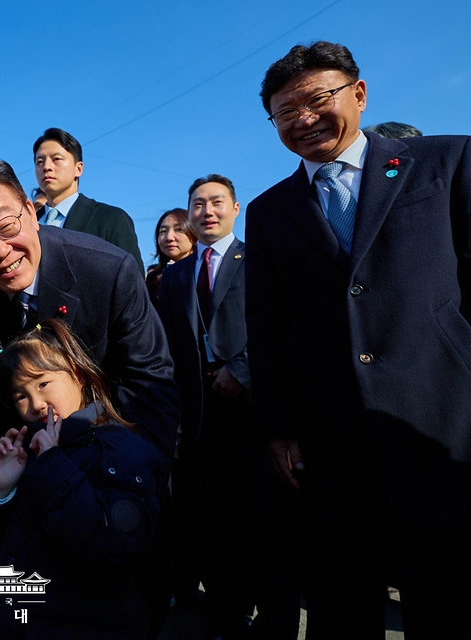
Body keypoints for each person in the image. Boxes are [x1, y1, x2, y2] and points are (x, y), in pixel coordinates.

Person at [247, 40, 471, 638]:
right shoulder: (269, 211)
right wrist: (279, 428)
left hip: (440, 418)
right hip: (330, 441)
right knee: (341, 601)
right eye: (284, 112)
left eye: (316, 99)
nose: (302, 119)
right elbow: (267, 328)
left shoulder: (443, 162)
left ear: (359, 94)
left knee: (449, 595)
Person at [0, 156, 179, 458]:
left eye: (7, 226)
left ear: (32, 212)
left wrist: (130, 486)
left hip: (108, 456)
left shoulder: (108, 272)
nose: (0, 251)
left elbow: (150, 387)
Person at [159, 175, 299, 639]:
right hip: (201, 423)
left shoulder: (258, 258)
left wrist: (241, 370)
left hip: (257, 417)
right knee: (215, 529)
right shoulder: (175, 274)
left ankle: (276, 624)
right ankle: (225, 618)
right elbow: (171, 351)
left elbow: (279, 327)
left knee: (266, 529)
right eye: (197, 204)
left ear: (236, 208)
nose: (207, 211)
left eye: (217, 202)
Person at [0, 319, 166, 639]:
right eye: (20, 395)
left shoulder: (121, 450)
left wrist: (53, 467)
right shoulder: (26, 451)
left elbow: (116, 548)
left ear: (78, 372)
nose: (35, 404)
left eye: (43, 383)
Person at [33, 127, 144, 269]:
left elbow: (133, 281)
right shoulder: (29, 224)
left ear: (78, 169)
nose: (47, 167)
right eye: (40, 162)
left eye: (56, 159)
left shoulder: (110, 219)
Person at [145, 208, 197, 307]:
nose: (169, 237)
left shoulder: (203, 272)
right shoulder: (153, 279)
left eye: (179, 230)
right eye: (163, 231)